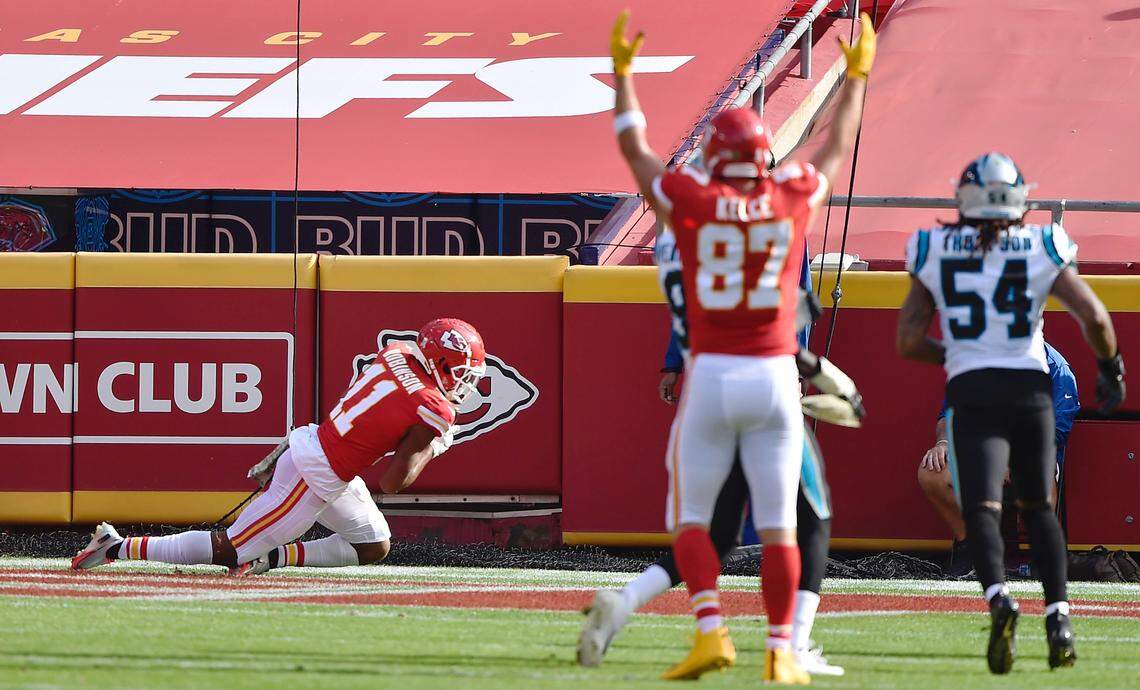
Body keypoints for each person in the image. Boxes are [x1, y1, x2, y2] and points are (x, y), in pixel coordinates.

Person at [609, 9, 876, 683]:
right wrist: (855, 78)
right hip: (775, 378)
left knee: (696, 520)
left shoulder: (691, 206)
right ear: (763, 159)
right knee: (782, 523)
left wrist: (623, 80)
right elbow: (835, 145)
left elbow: (638, 153)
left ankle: (709, 632)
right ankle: (783, 648)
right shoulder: (788, 198)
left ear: (712, 160)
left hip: (710, 373)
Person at [897, 152, 1125, 674]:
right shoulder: (1043, 244)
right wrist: (1110, 369)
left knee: (981, 508)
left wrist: (963, 356)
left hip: (974, 391)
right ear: (1020, 201)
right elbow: (1093, 314)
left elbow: (910, 340)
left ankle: (1000, 599)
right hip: (1029, 388)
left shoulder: (933, 248)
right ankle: (1058, 617)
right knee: (1039, 510)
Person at [71, 318, 485, 575]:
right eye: (462, 372)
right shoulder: (433, 407)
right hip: (318, 470)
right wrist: (435, 444)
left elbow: (383, 411)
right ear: (440, 363)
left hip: (323, 450)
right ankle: (118, 546)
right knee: (230, 550)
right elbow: (395, 481)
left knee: (373, 544)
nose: (466, 383)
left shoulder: (396, 352)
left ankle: (271, 557)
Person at [919, 341, 1079, 576]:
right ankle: (971, 546)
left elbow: (1056, 432)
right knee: (931, 472)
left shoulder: (1055, 367)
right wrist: (942, 442)